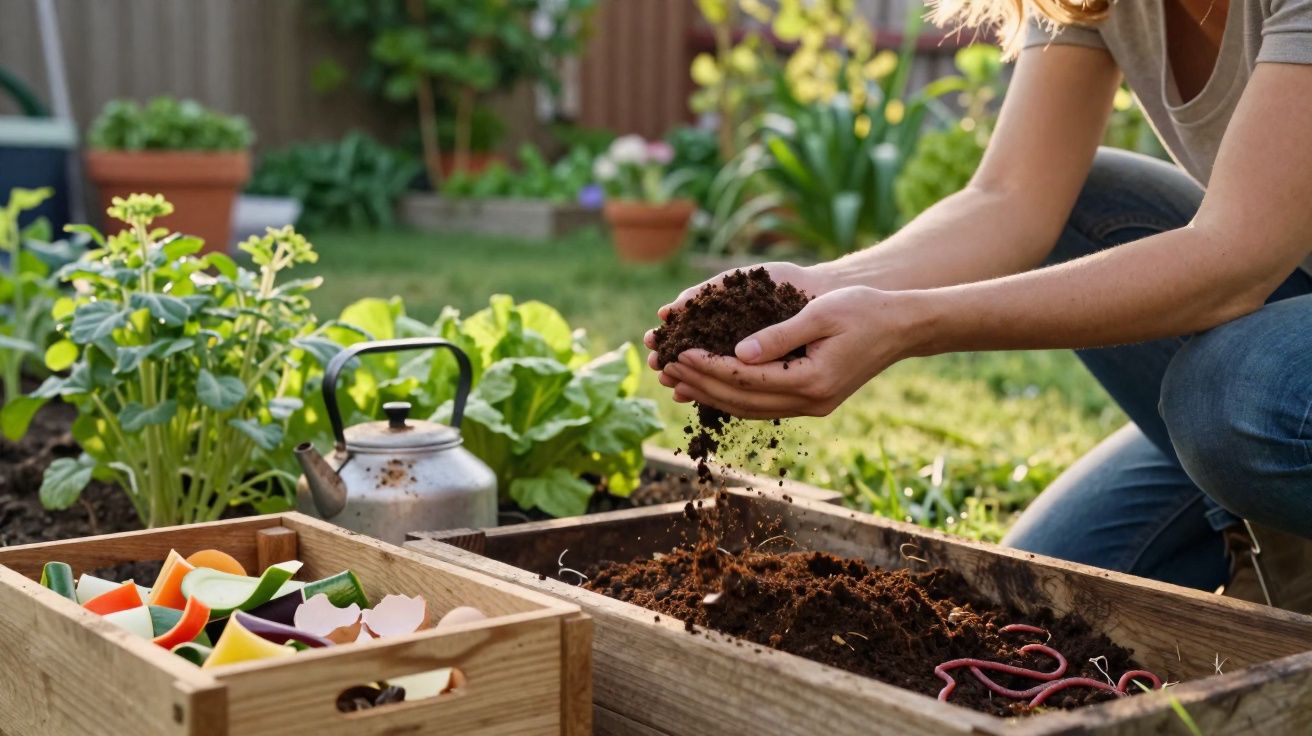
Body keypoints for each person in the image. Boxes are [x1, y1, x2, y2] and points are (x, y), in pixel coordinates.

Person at [644, 0, 1312, 611]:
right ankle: (1252, 514)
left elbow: (1232, 260)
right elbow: (1013, 197)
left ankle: (1287, 589)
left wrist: (911, 325)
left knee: (1230, 394)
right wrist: (815, 291)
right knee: (1029, 590)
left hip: (1265, 354)